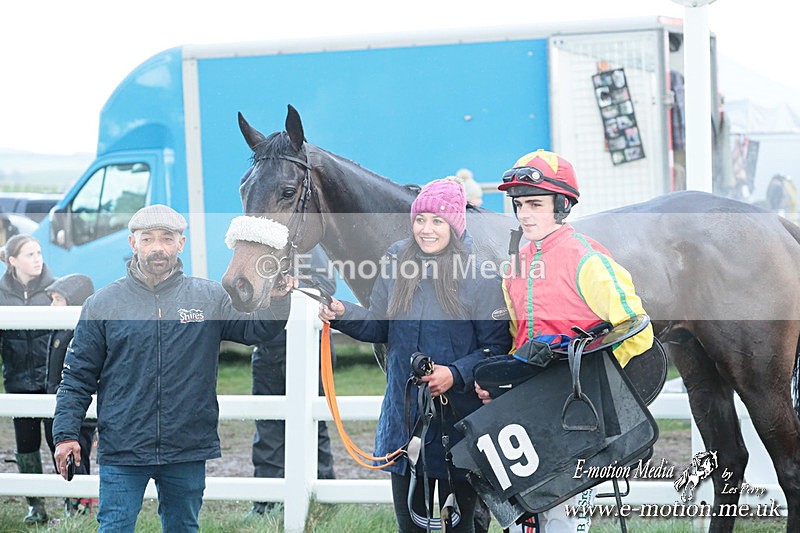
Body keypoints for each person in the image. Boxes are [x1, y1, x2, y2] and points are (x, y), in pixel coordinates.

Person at [52, 204, 293, 533]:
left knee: (183, 527)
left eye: (167, 238)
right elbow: (77, 377)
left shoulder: (210, 298)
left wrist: (278, 299)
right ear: (133, 243)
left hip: (187, 444)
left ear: (181, 244)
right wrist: (65, 435)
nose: (158, 247)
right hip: (124, 447)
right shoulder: (103, 304)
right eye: (148, 239)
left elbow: (258, 331)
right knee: (114, 527)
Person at [476, 149, 653, 532]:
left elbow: (636, 330)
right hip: (528, 409)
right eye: (519, 204)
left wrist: (593, 381)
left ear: (561, 205)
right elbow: (516, 339)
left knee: (562, 520)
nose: (524, 214)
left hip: (577, 412)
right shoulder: (515, 265)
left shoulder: (588, 259)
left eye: (535, 204)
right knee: (521, 518)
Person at [319, 178, 511, 532]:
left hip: (459, 428)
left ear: (454, 225)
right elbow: (379, 326)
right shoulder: (395, 260)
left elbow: (496, 347)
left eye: (437, 221)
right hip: (405, 424)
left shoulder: (481, 274)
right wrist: (341, 311)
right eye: (420, 219)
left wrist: (455, 373)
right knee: (410, 527)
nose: (426, 229)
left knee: (460, 527)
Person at [249, 245, 336, 516]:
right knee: (268, 423)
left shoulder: (308, 241)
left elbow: (326, 285)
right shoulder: (257, 246)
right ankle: (267, 502)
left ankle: (322, 495)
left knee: (314, 421)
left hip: (310, 346)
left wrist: (297, 284)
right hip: (268, 346)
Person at [0, 234, 56, 524]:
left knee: (59, 440)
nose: (38, 259)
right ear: (12, 261)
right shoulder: (0, 293)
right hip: (19, 383)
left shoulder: (56, 289)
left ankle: (75, 503)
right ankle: (37, 507)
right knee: (26, 446)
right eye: (30, 254)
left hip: (53, 383)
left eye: (39, 252)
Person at [42, 273, 98, 516]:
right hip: (59, 402)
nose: (53, 305)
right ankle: (72, 506)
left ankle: (81, 507)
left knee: (78, 456)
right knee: (61, 453)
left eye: (58, 300)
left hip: (78, 411)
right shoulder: (58, 328)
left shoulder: (77, 332)